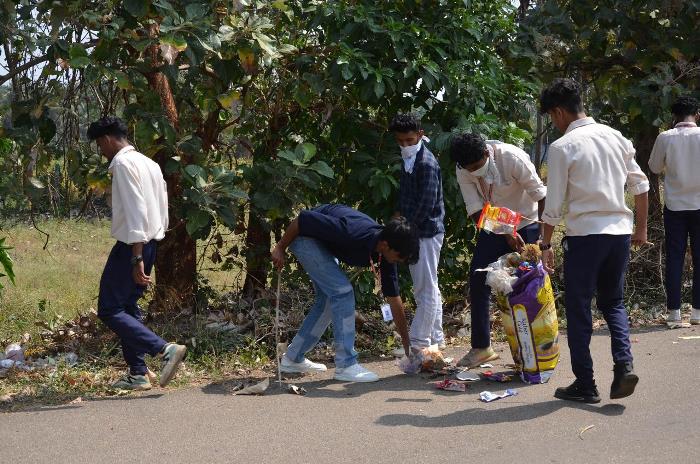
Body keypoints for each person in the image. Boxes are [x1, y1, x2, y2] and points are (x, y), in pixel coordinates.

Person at [539, 78, 649, 403]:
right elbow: (641, 186)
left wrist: (545, 245)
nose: (554, 124)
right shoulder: (616, 137)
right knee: (613, 302)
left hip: (585, 237)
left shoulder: (562, 147)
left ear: (559, 112)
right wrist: (640, 230)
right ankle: (623, 364)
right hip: (618, 234)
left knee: (578, 307)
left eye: (552, 118)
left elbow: (554, 204)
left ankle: (585, 383)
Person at [88, 116, 186, 391]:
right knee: (128, 307)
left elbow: (135, 212)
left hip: (134, 246)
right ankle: (138, 373)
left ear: (107, 139)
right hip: (151, 241)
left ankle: (164, 349)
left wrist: (136, 256)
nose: (101, 150)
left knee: (109, 309)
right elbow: (160, 207)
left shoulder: (122, 164)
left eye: (99, 144)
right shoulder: (149, 163)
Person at [271, 204, 419, 382]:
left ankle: (292, 358)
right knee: (342, 292)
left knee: (328, 299)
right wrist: (280, 247)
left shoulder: (385, 252)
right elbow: (303, 219)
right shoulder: (354, 232)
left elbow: (394, 300)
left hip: (322, 242)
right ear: (386, 245)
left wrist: (407, 346)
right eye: (399, 257)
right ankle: (345, 365)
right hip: (304, 236)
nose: (399, 261)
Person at [451, 132, 546, 368]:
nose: (474, 172)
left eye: (477, 166)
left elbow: (542, 196)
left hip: (528, 223)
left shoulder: (512, 158)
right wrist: (505, 233)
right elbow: (474, 210)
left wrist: (543, 237)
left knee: (528, 284)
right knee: (478, 278)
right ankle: (482, 347)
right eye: (469, 168)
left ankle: (535, 346)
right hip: (493, 225)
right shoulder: (462, 169)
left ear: (486, 153)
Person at [389, 113, 446, 354]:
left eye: (410, 140)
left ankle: (419, 342)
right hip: (416, 231)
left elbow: (426, 204)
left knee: (426, 288)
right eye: (400, 141)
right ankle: (436, 338)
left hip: (426, 232)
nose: (405, 145)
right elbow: (406, 198)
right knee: (428, 285)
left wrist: (404, 229)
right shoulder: (409, 159)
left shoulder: (426, 163)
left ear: (420, 135)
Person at [649, 96, 700, 327]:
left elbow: (654, 167)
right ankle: (698, 312)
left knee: (675, 258)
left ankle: (674, 313)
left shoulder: (665, 137)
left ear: (674, 117)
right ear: (696, 114)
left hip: (675, 206)